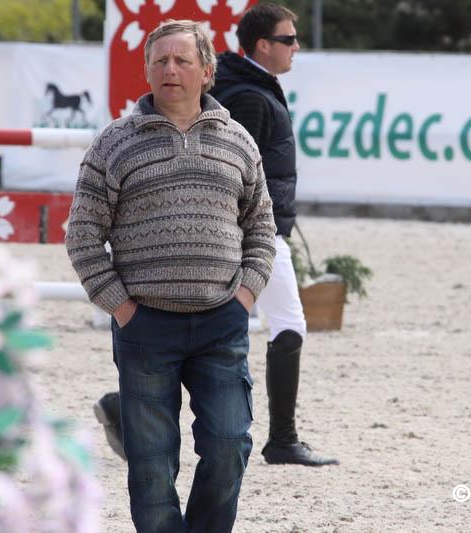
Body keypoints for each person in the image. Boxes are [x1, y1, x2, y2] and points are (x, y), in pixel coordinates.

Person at [94, 2, 338, 468]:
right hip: (251, 235)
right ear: (263, 45)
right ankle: (282, 439)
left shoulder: (251, 87)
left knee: (250, 331)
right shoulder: (249, 97)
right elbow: (234, 174)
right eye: (288, 39)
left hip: (256, 229)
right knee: (287, 325)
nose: (296, 47)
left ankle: (125, 407)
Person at [66, 20, 276, 533]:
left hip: (222, 324)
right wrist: (122, 309)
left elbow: (261, 228)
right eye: (160, 61)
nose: (170, 70)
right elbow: (83, 236)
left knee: (229, 446)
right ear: (146, 71)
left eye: (182, 60)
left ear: (207, 71)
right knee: (152, 466)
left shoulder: (238, 141)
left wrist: (245, 297)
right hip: (145, 328)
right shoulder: (114, 143)